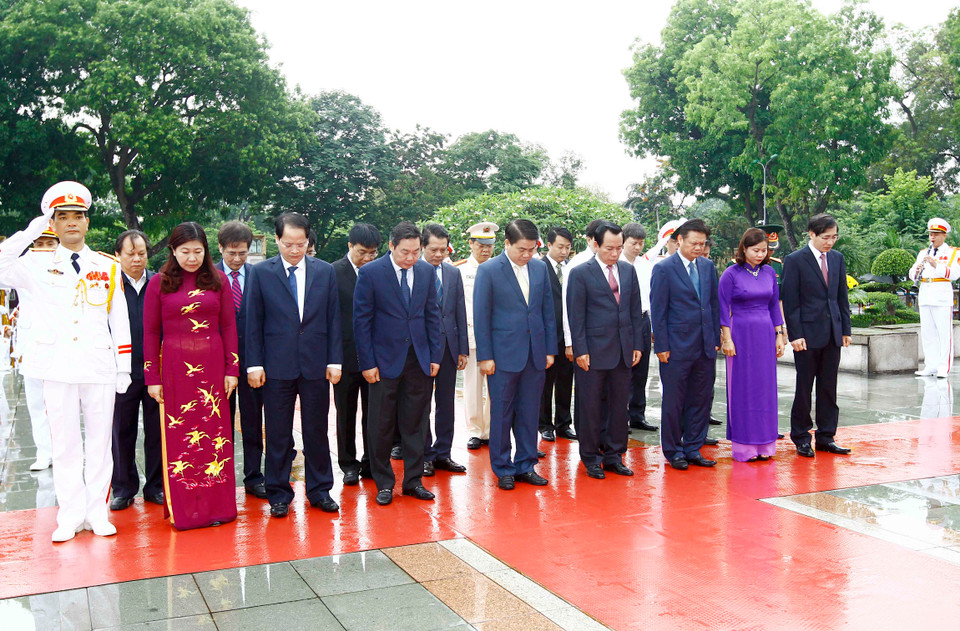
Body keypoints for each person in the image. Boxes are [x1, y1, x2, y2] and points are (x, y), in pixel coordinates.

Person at [0, 181, 132, 541]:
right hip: (56, 367)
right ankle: (70, 515)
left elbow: (118, 318)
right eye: (63, 217)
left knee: (100, 444)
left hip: (98, 366)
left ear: (88, 223)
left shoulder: (106, 266)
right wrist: (31, 230)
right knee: (65, 444)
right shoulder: (34, 264)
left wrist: (123, 367)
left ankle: (97, 512)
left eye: (78, 216)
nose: (72, 223)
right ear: (52, 224)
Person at [245, 212, 343, 517]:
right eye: (288, 244)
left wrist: (334, 360)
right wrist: (254, 365)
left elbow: (334, 319)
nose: (294, 250)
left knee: (316, 430)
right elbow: (253, 323)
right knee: (277, 432)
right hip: (276, 367)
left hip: (315, 365)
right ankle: (278, 493)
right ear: (276, 240)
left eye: (301, 244)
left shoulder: (324, 272)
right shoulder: (261, 273)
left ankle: (320, 489)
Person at [143, 222, 238, 530]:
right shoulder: (159, 283)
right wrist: (151, 377)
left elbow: (228, 327)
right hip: (174, 372)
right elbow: (150, 332)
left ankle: (218, 508)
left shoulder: (218, 280)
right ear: (173, 251)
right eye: (185, 251)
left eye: (198, 251)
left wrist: (232, 370)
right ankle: (186, 511)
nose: (192, 258)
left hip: (212, 372)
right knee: (182, 442)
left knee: (214, 440)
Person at [354, 221, 442, 506]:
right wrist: (367, 362)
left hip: (418, 360)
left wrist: (434, 357)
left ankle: (413, 481)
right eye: (405, 252)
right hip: (382, 362)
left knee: (416, 423)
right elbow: (362, 321)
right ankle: (383, 482)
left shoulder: (427, 272)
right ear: (391, 247)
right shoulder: (370, 273)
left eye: (416, 252)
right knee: (380, 423)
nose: (411, 258)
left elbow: (432, 316)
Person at [474, 219, 557, 490]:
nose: (527, 255)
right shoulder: (489, 271)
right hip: (502, 356)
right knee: (502, 413)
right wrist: (485, 356)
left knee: (529, 412)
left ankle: (526, 464)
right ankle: (503, 468)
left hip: (535, 354)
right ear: (507, 243)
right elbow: (481, 315)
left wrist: (549, 350)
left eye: (532, 249)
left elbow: (546, 310)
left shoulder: (539, 268)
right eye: (522, 249)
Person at [567, 222, 644, 478]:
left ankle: (614, 456)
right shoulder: (580, 273)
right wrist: (580, 349)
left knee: (619, 406)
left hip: (623, 351)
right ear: (596, 244)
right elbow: (575, 316)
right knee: (590, 407)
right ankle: (590, 457)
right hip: (593, 351)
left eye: (619, 248)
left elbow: (634, 311)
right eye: (609, 248)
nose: (615, 253)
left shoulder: (627, 270)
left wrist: (636, 345)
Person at [650, 219, 721, 470]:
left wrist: (715, 339)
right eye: (694, 243)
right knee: (674, 401)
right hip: (676, 346)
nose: (699, 248)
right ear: (679, 240)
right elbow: (658, 311)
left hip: (704, 346)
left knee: (700, 399)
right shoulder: (664, 269)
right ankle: (674, 451)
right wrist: (661, 346)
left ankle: (693, 447)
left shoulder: (707, 266)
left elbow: (713, 304)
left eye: (703, 244)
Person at [780, 213, 852, 457]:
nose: (830, 242)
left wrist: (845, 330)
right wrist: (795, 334)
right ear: (811, 234)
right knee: (804, 388)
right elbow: (791, 302)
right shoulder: (795, 260)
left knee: (828, 388)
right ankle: (801, 437)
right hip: (807, 336)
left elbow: (842, 297)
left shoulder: (837, 259)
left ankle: (826, 436)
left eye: (834, 237)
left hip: (833, 334)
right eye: (825, 237)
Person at [718, 228, 786, 462]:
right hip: (740, 334)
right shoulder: (731, 273)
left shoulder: (769, 272)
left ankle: (766, 444)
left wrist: (780, 334)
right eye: (755, 250)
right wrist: (727, 338)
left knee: (765, 389)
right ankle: (744, 446)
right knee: (743, 388)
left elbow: (774, 305)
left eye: (763, 250)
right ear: (744, 249)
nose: (760, 254)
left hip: (765, 333)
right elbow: (722, 307)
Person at [110, 230, 164, 510]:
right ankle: (123, 487)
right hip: (121, 371)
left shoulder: (159, 282)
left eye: (141, 253)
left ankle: (155, 486)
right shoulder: (108, 284)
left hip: (155, 370)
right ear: (117, 255)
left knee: (157, 431)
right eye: (130, 254)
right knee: (121, 429)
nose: (136, 259)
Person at [215, 221, 266, 499]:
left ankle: (253, 476)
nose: (236, 259)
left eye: (243, 253)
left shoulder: (259, 275)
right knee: (219, 422)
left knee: (251, 420)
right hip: (218, 364)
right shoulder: (208, 277)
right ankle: (220, 476)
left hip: (252, 362)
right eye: (231, 253)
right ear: (220, 247)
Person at [332, 223, 381, 485]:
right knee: (346, 413)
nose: (367, 258)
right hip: (345, 356)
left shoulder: (379, 272)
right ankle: (348, 464)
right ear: (350, 246)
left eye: (373, 253)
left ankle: (371, 461)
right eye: (362, 252)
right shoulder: (333, 272)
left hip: (374, 357)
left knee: (374, 413)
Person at [420, 224, 468, 476]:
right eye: (434, 249)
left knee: (446, 404)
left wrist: (462, 349)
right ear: (422, 247)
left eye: (444, 250)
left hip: (449, 347)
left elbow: (459, 310)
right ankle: (425, 455)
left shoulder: (452, 273)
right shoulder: (414, 272)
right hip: (423, 349)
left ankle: (443, 453)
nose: (439, 254)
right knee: (422, 404)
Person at [17, 228, 59, 471]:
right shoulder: (22, 266)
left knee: (65, 404)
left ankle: (66, 451)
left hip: (63, 345)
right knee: (36, 403)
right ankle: (44, 452)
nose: (44, 248)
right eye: (39, 243)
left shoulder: (71, 265)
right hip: (32, 344)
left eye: (49, 243)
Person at [458, 221, 497, 450]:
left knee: (495, 387)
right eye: (481, 244)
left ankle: (490, 430)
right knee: (472, 386)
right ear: (471, 243)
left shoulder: (499, 269)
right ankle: (474, 431)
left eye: (489, 245)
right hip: (472, 337)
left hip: (496, 338)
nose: (485, 249)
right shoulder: (460, 271)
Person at [909, 218, 960, 378]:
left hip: (942, 296)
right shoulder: (923, 252)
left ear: (944, 235)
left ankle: (944, 367)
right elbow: (911, 273)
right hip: (925, 295)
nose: (932, 237)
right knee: (928, 333)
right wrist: (916, 271)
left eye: (936, 234)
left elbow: (954, 274)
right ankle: (930, 366)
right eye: (931, 234)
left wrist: (935, 265)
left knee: (944, 334)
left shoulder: (953, 252)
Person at [539, 227, 575, 442]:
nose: (563, 252)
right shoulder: (538, 268)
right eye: (560, 247)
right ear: (549, 245)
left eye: (568, 248)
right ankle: (544, 424)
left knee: (565, 382)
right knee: (545, 384)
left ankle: (564, 423)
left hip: (568, 337)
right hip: (547, 336)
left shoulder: (572, 269)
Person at [621, 222, 656, 432]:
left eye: (641, 243)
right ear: (623, 241)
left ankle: (637, 415)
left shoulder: (645, 265)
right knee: (623, 370)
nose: (637, 247)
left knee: (641, 371)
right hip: (623, 322)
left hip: (643, 319)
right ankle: (620, 417)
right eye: (633, 243)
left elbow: (650, 297)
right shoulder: (616, 264)